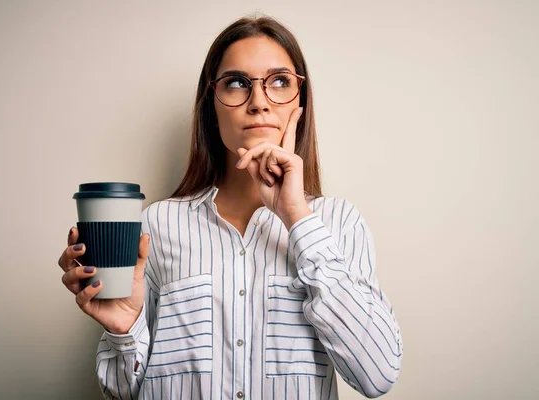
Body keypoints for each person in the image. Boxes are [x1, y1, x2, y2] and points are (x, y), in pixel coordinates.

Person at [58, 15, 403, 400]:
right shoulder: (157, 224)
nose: (259, 102)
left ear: (300, 103)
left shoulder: (339, 224)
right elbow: (124, 392)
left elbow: (378, 375)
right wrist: (123, 330)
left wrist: (296, 217)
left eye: (279, 82)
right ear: (212, 106)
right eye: (237, 83)